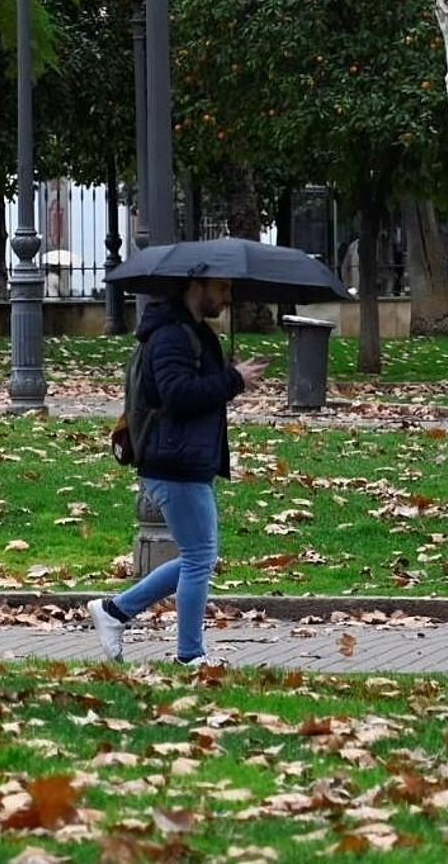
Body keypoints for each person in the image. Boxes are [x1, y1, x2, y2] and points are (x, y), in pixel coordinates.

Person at [88, 277, 269, 667]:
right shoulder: (172, 336)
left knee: (197, 556)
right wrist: (234, 380)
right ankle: (188, 654)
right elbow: (178, 394)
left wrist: (228, 374)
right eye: (221, 288)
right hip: (173, 460)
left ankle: (115, 611)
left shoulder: (191, 332)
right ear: (196, 285)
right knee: (200, 556)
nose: (227, 297)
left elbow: (194, 386)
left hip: (183, 458)